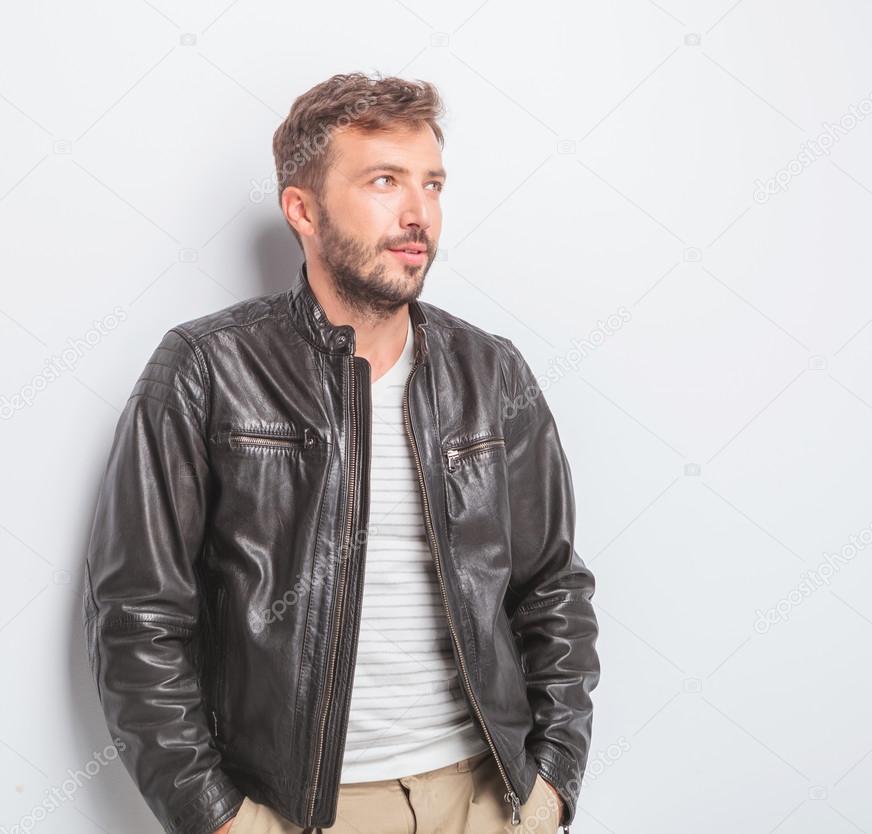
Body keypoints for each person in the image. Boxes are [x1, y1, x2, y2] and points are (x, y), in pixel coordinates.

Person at [82, 72, 599, 834]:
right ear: (303, 209)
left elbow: (552, 586)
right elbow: (137, 616)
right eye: (384, 181)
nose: (418, 212)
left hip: (488, 796)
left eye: (432, 183)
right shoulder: (208, 369)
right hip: (306, 812)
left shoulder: (492, 374)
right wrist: (220, 820)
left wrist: (550, 785)